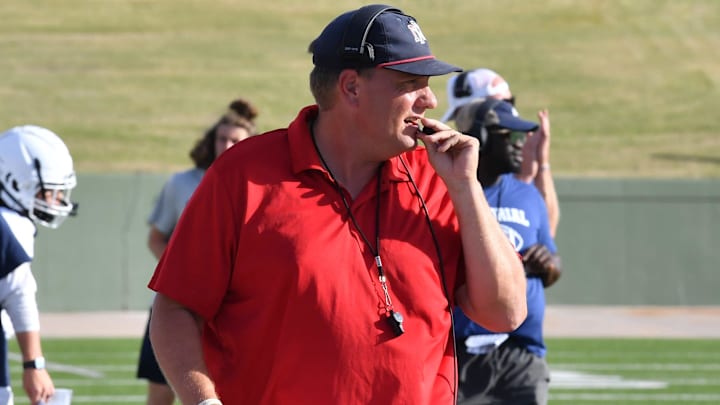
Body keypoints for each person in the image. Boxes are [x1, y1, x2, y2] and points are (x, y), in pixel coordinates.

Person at [148, 4, 527, 405]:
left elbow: (504, 313)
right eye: (411, 83)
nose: (430, 100)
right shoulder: (243, 175)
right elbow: (175, 309)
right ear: (351, 88)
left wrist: (466, 187)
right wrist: (204, 401)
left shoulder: (440, 177)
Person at [136, 98, 259, 405]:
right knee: (160, 393)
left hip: (232, 313)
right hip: (180, 306)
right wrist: (187, 277)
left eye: (235, 140)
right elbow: (156, 238)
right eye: (222, 138)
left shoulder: (261, 185)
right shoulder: (181, 184)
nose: (227, 145)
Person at [452, 98, 563, 404]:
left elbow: (555, 264)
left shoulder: (528, 195)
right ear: (481, 137)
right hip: (461, 354)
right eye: (510, 136)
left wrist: (548, 263)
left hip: (521, 356)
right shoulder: (445, 192)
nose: (520, 145)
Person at [0, 125, 79, 405]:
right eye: (47, 192)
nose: (56, 200)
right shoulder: (10, 226)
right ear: (13, 181)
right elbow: (17, 293)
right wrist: (34, 364)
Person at [441, 68, 560, 237]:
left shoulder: (510, 166)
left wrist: (542, 165)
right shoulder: (446, 176)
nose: (509, 111)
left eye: (509, 103)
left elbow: (544, 236)